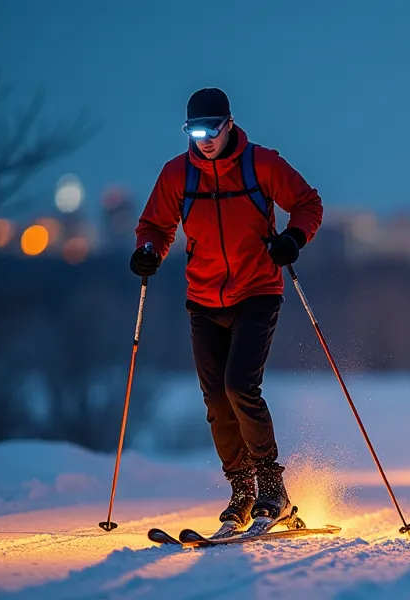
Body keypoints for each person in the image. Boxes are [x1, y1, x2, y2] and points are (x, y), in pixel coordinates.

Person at [130, 87, 322, 533]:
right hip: (202, 299)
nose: (204, 140)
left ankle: (273, 486)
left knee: (240, 386)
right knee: (216, 400)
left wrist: (292, 239)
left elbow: (308, 204)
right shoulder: (177, 175)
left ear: (229, 123)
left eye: (211, 129)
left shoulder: (262, 164)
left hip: (257, 292)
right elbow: (155, 226)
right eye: (194, 131)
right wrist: (147, 251)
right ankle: (242, 491)